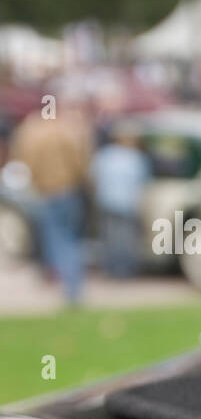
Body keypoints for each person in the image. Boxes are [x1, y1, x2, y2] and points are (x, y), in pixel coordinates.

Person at [11, 103, 91, 303]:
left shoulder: (32, 133)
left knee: (55, 239)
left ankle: (66, 285)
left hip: (45, 192)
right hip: (68, 190)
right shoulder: (68, 131)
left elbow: (25, 161)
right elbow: (80, 161)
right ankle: (72, 285)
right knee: (69, 239)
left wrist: (37, 181)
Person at [90, 122, 151, 278]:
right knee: (127, 238)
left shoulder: (104, 155)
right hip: (127, 204)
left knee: (110, 237)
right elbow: (143, 182)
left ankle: (111, 269)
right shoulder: (137, 158)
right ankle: (125, 270)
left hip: (108, 202)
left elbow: (94, 177)